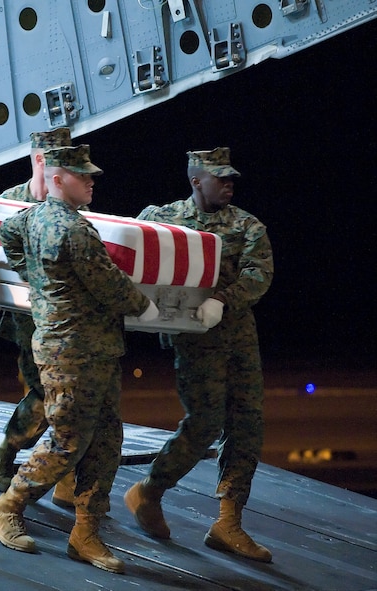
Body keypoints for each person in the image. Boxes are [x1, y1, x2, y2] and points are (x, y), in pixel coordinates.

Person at [0, 145, 159, 573]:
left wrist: (35, 281)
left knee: (105, 439)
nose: (92, 180)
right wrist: (146, 306)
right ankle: (7, 507)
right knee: (68, 439)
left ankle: (86, 531)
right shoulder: (72, 231)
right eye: (82, 175)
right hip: (72, 349)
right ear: (58, 179)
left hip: (90, 347)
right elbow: (113, 288)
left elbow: (7, 233)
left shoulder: (32, 217)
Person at [125, 147, 274, 563]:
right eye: (219, 178)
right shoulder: (163, 217)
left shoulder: (246, 226)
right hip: (193, 338)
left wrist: (224, 300)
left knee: (247, 426)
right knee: (206, 422)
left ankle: (229, 521)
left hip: (238, 336)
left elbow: (259, 274)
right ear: (196, 180)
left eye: (231, 179)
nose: (228, 185)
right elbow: (129, 250)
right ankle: (149, 491)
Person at [0, 127, 77, 507]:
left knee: (65, 395)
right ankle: (4, 455)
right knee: (44, 392)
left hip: (64, 318)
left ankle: (63, 478)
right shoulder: (10, 203)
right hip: (28, 315)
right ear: (40, 160)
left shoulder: (71, 204)